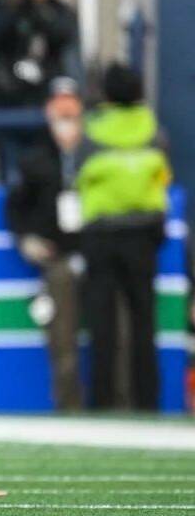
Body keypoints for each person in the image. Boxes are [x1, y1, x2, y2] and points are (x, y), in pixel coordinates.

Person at [77, 64, 171, 411]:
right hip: (143, 234)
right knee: (144, 322)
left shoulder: (92, 131)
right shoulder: (152, 130)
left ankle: (102, 402)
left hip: (101, 234)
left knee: (103, 325)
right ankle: (148, 402)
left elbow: (79, 176)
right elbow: (163, 174)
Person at [6, 79, 85, 410]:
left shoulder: (93, 152)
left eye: (71, 103)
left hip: (98, 251)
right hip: (58, 255)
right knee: (62, 334)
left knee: (117, 330)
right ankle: (70, 404)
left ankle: (122, 403)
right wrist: (28, 239)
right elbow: (16, 206)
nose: (65, 111)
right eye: (58, 103)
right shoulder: (36, 158)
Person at [0, 0, 80, 106]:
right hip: (8, 78)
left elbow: (63, 35)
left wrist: (41, 7)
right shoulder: (1, 5)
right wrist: (14, 6)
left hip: (49, 76)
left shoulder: (56, 7)